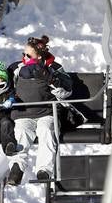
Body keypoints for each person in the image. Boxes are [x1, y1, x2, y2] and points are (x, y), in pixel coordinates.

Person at [10, 35, 72, 185]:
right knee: (21, 132)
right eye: (23, 54)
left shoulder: (54, 68)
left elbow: (67, 92)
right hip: (24, 113)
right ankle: (17, 168)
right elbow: (7, 87)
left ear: (39, 56)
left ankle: (44, 170)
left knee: (46, 130)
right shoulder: (16, 68)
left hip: (46, 112)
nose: (24, 57)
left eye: (28, 55)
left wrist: (52, 80)